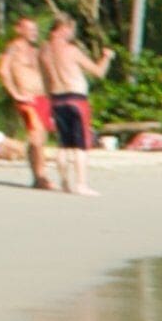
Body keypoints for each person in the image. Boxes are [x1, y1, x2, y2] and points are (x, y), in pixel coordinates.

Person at [41, 17, 105, 195]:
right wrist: (106, 57)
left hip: (56, 98)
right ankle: (81, 183)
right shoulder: (71, 50)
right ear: (63, 28)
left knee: (63, 144)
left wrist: (49, 98)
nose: (72, 33)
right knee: (80, 145)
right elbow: (98, 72)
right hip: (75, 97)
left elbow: (46, 79)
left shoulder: (44, 51)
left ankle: (64, 182)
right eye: (70, 29)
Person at [0, 18, 52, 190]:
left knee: (41, 138)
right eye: (30, 29)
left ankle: (38, 176)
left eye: (35, 29)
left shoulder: (36, 50)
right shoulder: (14, 47)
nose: (34, 32)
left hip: (42, 98)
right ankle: (40, 177)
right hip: (27, 99)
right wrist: (15, 93)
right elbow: (2, 70)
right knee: (36, 136)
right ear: (19, 29)